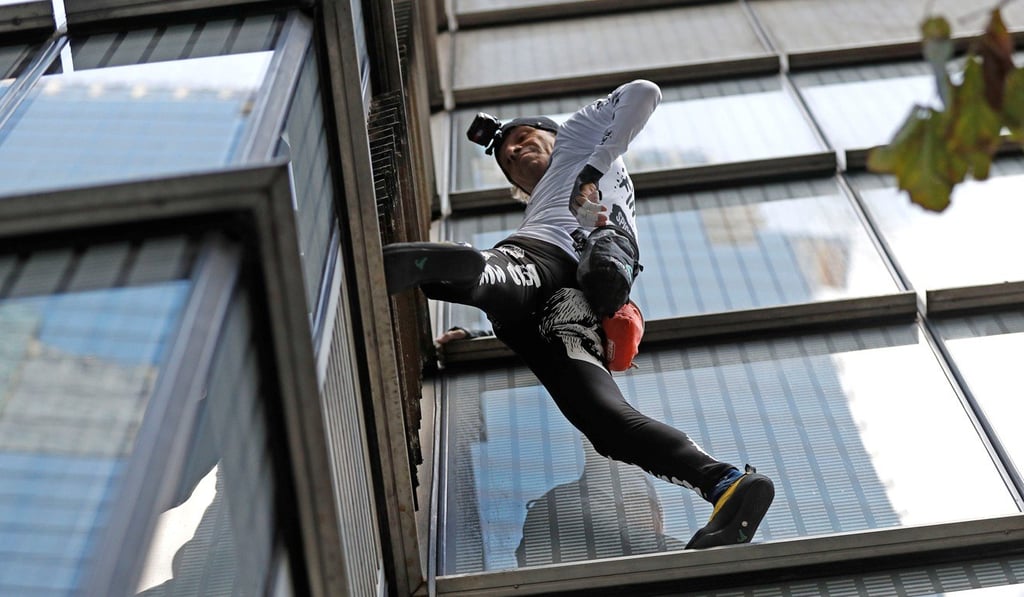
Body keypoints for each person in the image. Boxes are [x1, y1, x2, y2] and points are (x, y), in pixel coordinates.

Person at [384, 79, 774, 549]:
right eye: (508, 157)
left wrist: (592, 165)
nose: (513, 150)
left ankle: (470, 271)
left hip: (552, 262)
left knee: (506, 276)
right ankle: (724, 481)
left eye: (524, 138)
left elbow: (643, 92)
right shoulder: (552, 198)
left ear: (555, 135)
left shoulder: (578, 137)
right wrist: (472, 336)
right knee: (606, 420)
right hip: (568, 304)